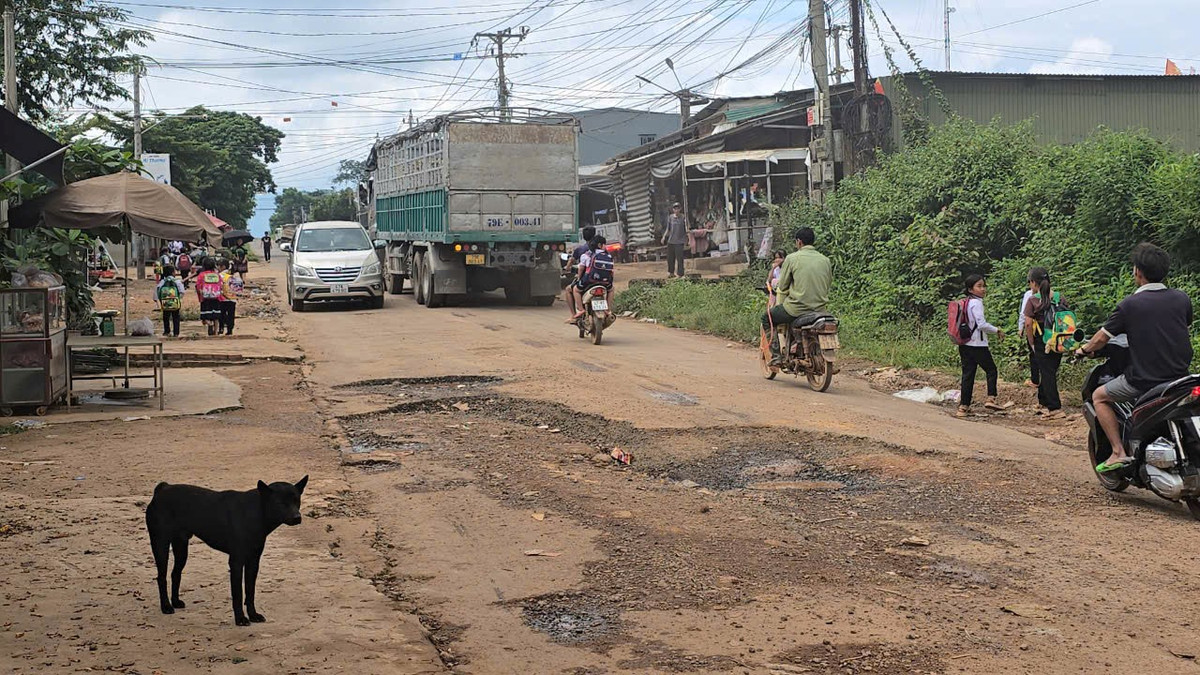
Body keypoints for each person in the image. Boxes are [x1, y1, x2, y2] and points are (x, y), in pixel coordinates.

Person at [1076, 243, 1194, 472]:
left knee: (1099, 396)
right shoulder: (1181, 298)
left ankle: (1118, 452)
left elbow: (1101, 338)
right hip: (1180, 377)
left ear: (1137, 272)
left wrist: (1083, 350)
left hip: (1145, 379)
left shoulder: (1129, 305)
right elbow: (1180, 328)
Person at [761, 227, 832, 363]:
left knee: (767, 317)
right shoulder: (825, 260)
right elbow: (827, 283)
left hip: (797, 309)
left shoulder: (792, 259)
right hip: (820, 309)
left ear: (799, 242)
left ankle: (776, 356)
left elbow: (783, 285)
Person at [956, 274, 1006, 418]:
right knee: (991, 370)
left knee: (968, 375)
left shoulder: (965, 302)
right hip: (977, 345)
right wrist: (997, 330)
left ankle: (963, 407)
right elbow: (981, 324)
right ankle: (991, 398)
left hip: (964, 344)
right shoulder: (976, 303)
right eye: (979, 286)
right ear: (970, 289)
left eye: (984, 286)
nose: (983, 289)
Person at [1022, 267, 1066, 419]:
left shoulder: (1033, 300)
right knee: (1049, 370)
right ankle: (1043, 401)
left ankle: (1055, 408)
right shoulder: (1060, 297)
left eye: (1030, 283)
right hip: (1059, 337)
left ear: (1034, 282)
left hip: (1042, 338)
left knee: (1047, 373)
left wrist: (1032, 342)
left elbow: (1028, 324)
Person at [570, 235, 610, 322]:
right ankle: (608, 309)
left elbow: (581, 269)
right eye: (604, 244)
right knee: (611, 289)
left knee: (576, 290)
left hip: (589, 281)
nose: (605, 246)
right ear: (600, 245)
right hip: (605, 282)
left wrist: (579, 278)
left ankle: (581, 310)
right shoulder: (608, 255)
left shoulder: (586, 255)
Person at [563, 226, 597, 318]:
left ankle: (575, 315)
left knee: (569, 289)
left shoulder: (580, 250)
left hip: (586, 280)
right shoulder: (601, 248)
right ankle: (608, 310)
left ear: (583, 236)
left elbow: (572, 261)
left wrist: (567, 268)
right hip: (602, 279)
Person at [194, 258, 224, 337]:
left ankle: (209, 324)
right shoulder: (217, 275)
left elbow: (198, 286)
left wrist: (200, 296)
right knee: (216, 316)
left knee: (204, 316)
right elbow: (221, 285)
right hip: (216, 297)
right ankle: (216, 332)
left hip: (205, 298)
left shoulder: (201, 275)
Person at [1018, 283, 1040, 389]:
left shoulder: (1029, 295)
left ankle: (1035, 380)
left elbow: (1024, 314)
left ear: (1033, 282)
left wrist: (1021, 328)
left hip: (1034, 329)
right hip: (1049, 330)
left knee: (1034, 353)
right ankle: (1046, 380)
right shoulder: (1051, 294)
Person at [155, 264, 185, 338]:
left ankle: (167, 331)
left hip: (165, 303)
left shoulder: (162, 282)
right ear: (173, 273)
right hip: (175, 303)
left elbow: (158, 291)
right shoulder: (177, 281)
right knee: (176, 317)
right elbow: (182, 292)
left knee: (166, 317)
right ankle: (176, 333)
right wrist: (179, 299)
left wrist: (160, 300)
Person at [662, 202, 687, 278]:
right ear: (673, 210)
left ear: (680, 209)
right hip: (671, 241)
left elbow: (686, 229)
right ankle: (671, 272)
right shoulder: (670, 217)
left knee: (680, 259)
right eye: (675, 208)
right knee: (670, 258)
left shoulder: (683, 218)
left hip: (680, 241)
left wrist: (687, 239)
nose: (676, 210)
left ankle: (680, 274)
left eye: (678, 208)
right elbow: (668, 229)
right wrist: (663, 237)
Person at [217, 261, 241, 336]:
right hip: (232, 298)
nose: (217, 268)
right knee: (231, 314)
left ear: (223, 266)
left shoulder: (220, 275)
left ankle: (221, 328)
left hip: (222, 298)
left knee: (221, 314)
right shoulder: (235, 275)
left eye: (218, 266)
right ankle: (230, 329)